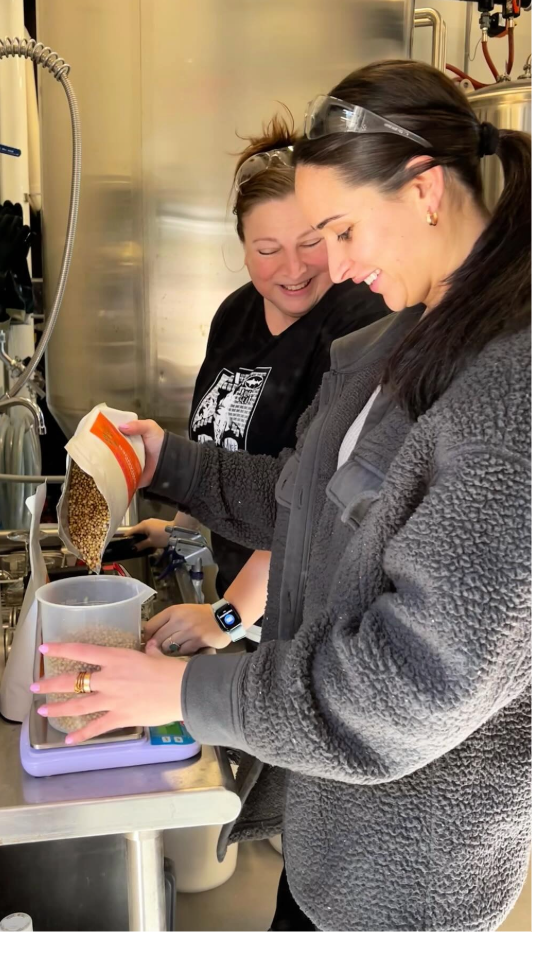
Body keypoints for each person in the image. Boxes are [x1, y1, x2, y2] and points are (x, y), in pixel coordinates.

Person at [36, 59, 530, 931]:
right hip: (327, 830)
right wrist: (169, 463)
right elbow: (306, 507)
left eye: (340, 231)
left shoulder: (509, 394)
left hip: (406, 880)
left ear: (423, 191)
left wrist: (188, 695)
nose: (333, 267)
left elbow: (413, 684)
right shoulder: (396, 346)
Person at [121, 114, 388, 655]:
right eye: (268, 250)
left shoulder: (359, 325)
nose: (292, 268)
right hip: (246, 614)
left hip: (305, 626)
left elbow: (310, 497)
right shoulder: (235, 315)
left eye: (311, 243)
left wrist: (227, 616)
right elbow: (220, 437)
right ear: (243, 248)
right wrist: (182, 528)